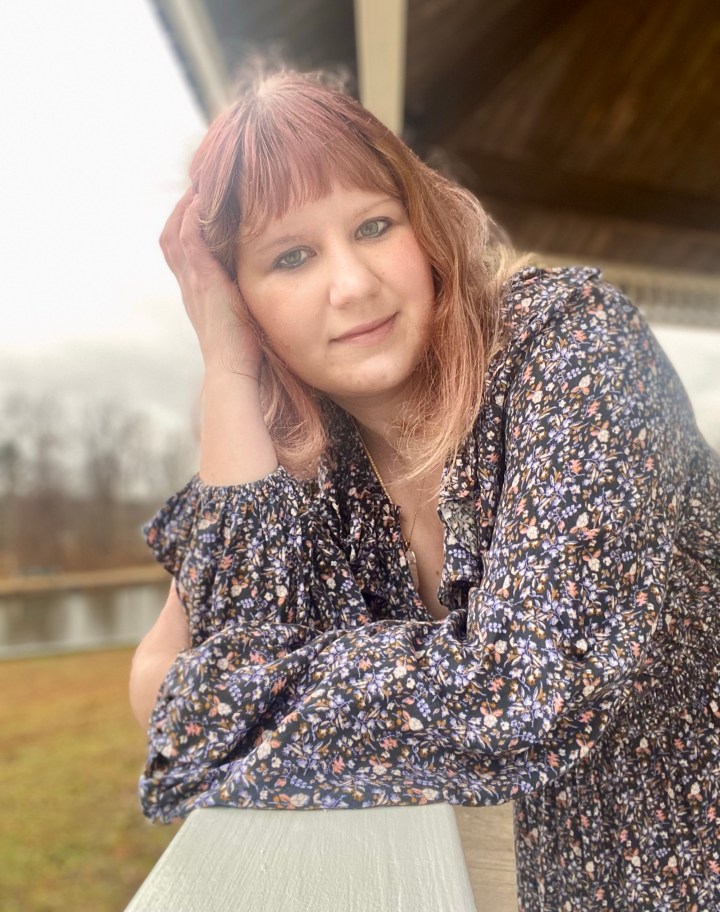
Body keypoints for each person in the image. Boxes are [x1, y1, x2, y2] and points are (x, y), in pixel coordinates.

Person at [129, 67, 720, 911]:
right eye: (291, 257)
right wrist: (227, 366)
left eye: (374, 226)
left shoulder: (572, 347)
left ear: (424, 223)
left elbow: (532, 695)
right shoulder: (302, 463)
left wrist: (237, 701)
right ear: (241, 300)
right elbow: (172, 677)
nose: (353, 285)